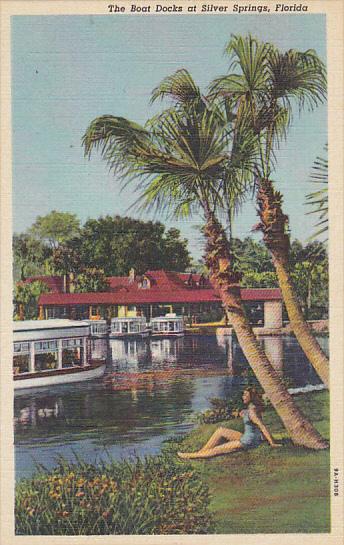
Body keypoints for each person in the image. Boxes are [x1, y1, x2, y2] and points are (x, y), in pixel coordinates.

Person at [178, 387, 281, 459]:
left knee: (215, 450)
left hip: (248, 441)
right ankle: (199, 452)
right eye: (243, 394)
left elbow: (262, 427)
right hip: (250, 437)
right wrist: (241, 413)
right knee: (220, 430)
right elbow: (251, 419)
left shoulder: (252, 411)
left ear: (251, 397)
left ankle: (190, 456)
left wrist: (272, 443)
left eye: (245, 395)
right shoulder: (252, 408)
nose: (243, 397)